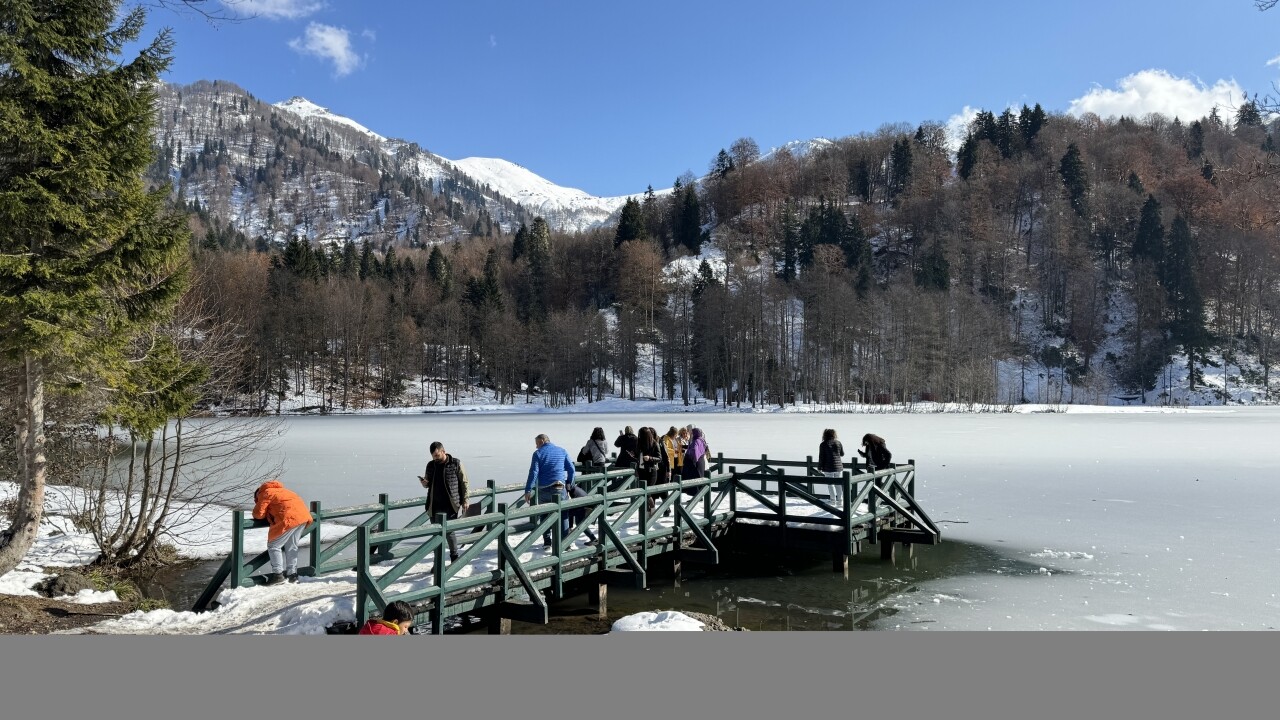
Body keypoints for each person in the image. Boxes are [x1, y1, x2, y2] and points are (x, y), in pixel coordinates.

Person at [251, 479, 314, 585]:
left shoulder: (265, 493)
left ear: (257, 494)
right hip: (302, 517)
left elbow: (258, 514)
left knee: (274, 546)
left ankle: (278, 575)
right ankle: (292, 574)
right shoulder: (285, 491)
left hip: (289, 519)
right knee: (292, 546)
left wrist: (261, 505)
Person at [419, 441, 469, 563]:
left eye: (437, 455)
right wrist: (424, 483)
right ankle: (438, 562)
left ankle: (454, 558)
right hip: (434, 505)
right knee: (436, 534)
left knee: (449, 532)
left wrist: (465, 500)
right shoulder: (431, 465)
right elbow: (428, 483)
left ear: (443, 451)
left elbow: (464, 483)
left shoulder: (456, 463)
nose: (435, 458)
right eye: (433, 456)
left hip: (451, 505)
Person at [524, 433, 575, 549]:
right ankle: (565, 543)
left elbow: (534, 472)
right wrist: (569, 483)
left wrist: (528, 490)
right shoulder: (562, 451)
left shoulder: (538, 454)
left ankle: (547, 542)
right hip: (559, 487)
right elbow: (571, 469)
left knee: (544, 514)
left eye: (537, 443)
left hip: (543, 488)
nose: (536, 447)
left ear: (542, 441)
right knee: (563, 514)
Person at [636, 426, 664, 513]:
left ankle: (652, 511)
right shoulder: (639, 443)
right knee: (642, 493)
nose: (639, 436)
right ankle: (647, 512)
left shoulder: (654, 444)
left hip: (651, 471)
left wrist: (650, 458)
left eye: (641, 435)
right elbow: (637, 455)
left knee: (647, 493)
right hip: (641, 471)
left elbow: (659, 458)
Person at [818, 428, 845, 507]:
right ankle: (840, 501)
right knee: (838, 484)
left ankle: (833, 500)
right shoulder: (838, 443)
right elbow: (842, 454)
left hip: (828, 467)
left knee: (830, 484)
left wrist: (820, 467)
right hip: (839, 467)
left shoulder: (823, 444)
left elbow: (821, 457)